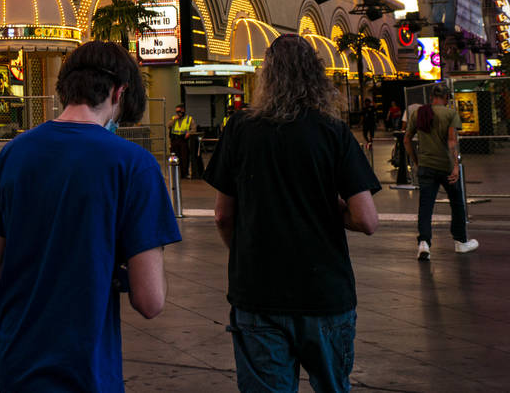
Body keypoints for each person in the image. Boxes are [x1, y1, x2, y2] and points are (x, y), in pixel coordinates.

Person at [0, 40, 181, 391]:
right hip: (87, 372)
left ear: (65, 88)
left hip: (18, 366)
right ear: (119, 93)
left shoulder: (15, 153)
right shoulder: (134, 165)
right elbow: (150, 300)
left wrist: (18, 333)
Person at [205, 34, 380, 393]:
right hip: (324, 294)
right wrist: (331, 208)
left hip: (258, 293)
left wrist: (243, 251)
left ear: (267, 77)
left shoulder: (239, 129)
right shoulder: (334, 132)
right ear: (315, 77)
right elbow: (367, 219)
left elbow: (223, 215)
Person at [403, 83, 478, 260]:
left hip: (425, 166)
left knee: (425, 206)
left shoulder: (418, 113)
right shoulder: (450, 114)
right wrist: (454, 166)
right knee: (457, 203)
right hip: (445, 166)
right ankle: (460, 241)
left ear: (431, 97)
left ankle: (424, 243)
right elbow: (452, 141)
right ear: (446, 98)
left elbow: (406, 140)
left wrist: (416, 161)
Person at [169, 104, 193, 178]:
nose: (178, 113)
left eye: (179, 111)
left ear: (183, 110)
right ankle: (175, 173)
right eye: (176, 111)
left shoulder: (189, 119)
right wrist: (174, 119)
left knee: (184, 157)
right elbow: (168, 125)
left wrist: (189, 132)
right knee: (175, 158)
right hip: (174, 140)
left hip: (183, 140)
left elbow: (194, 129)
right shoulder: (173, 118)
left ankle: (184, 174)